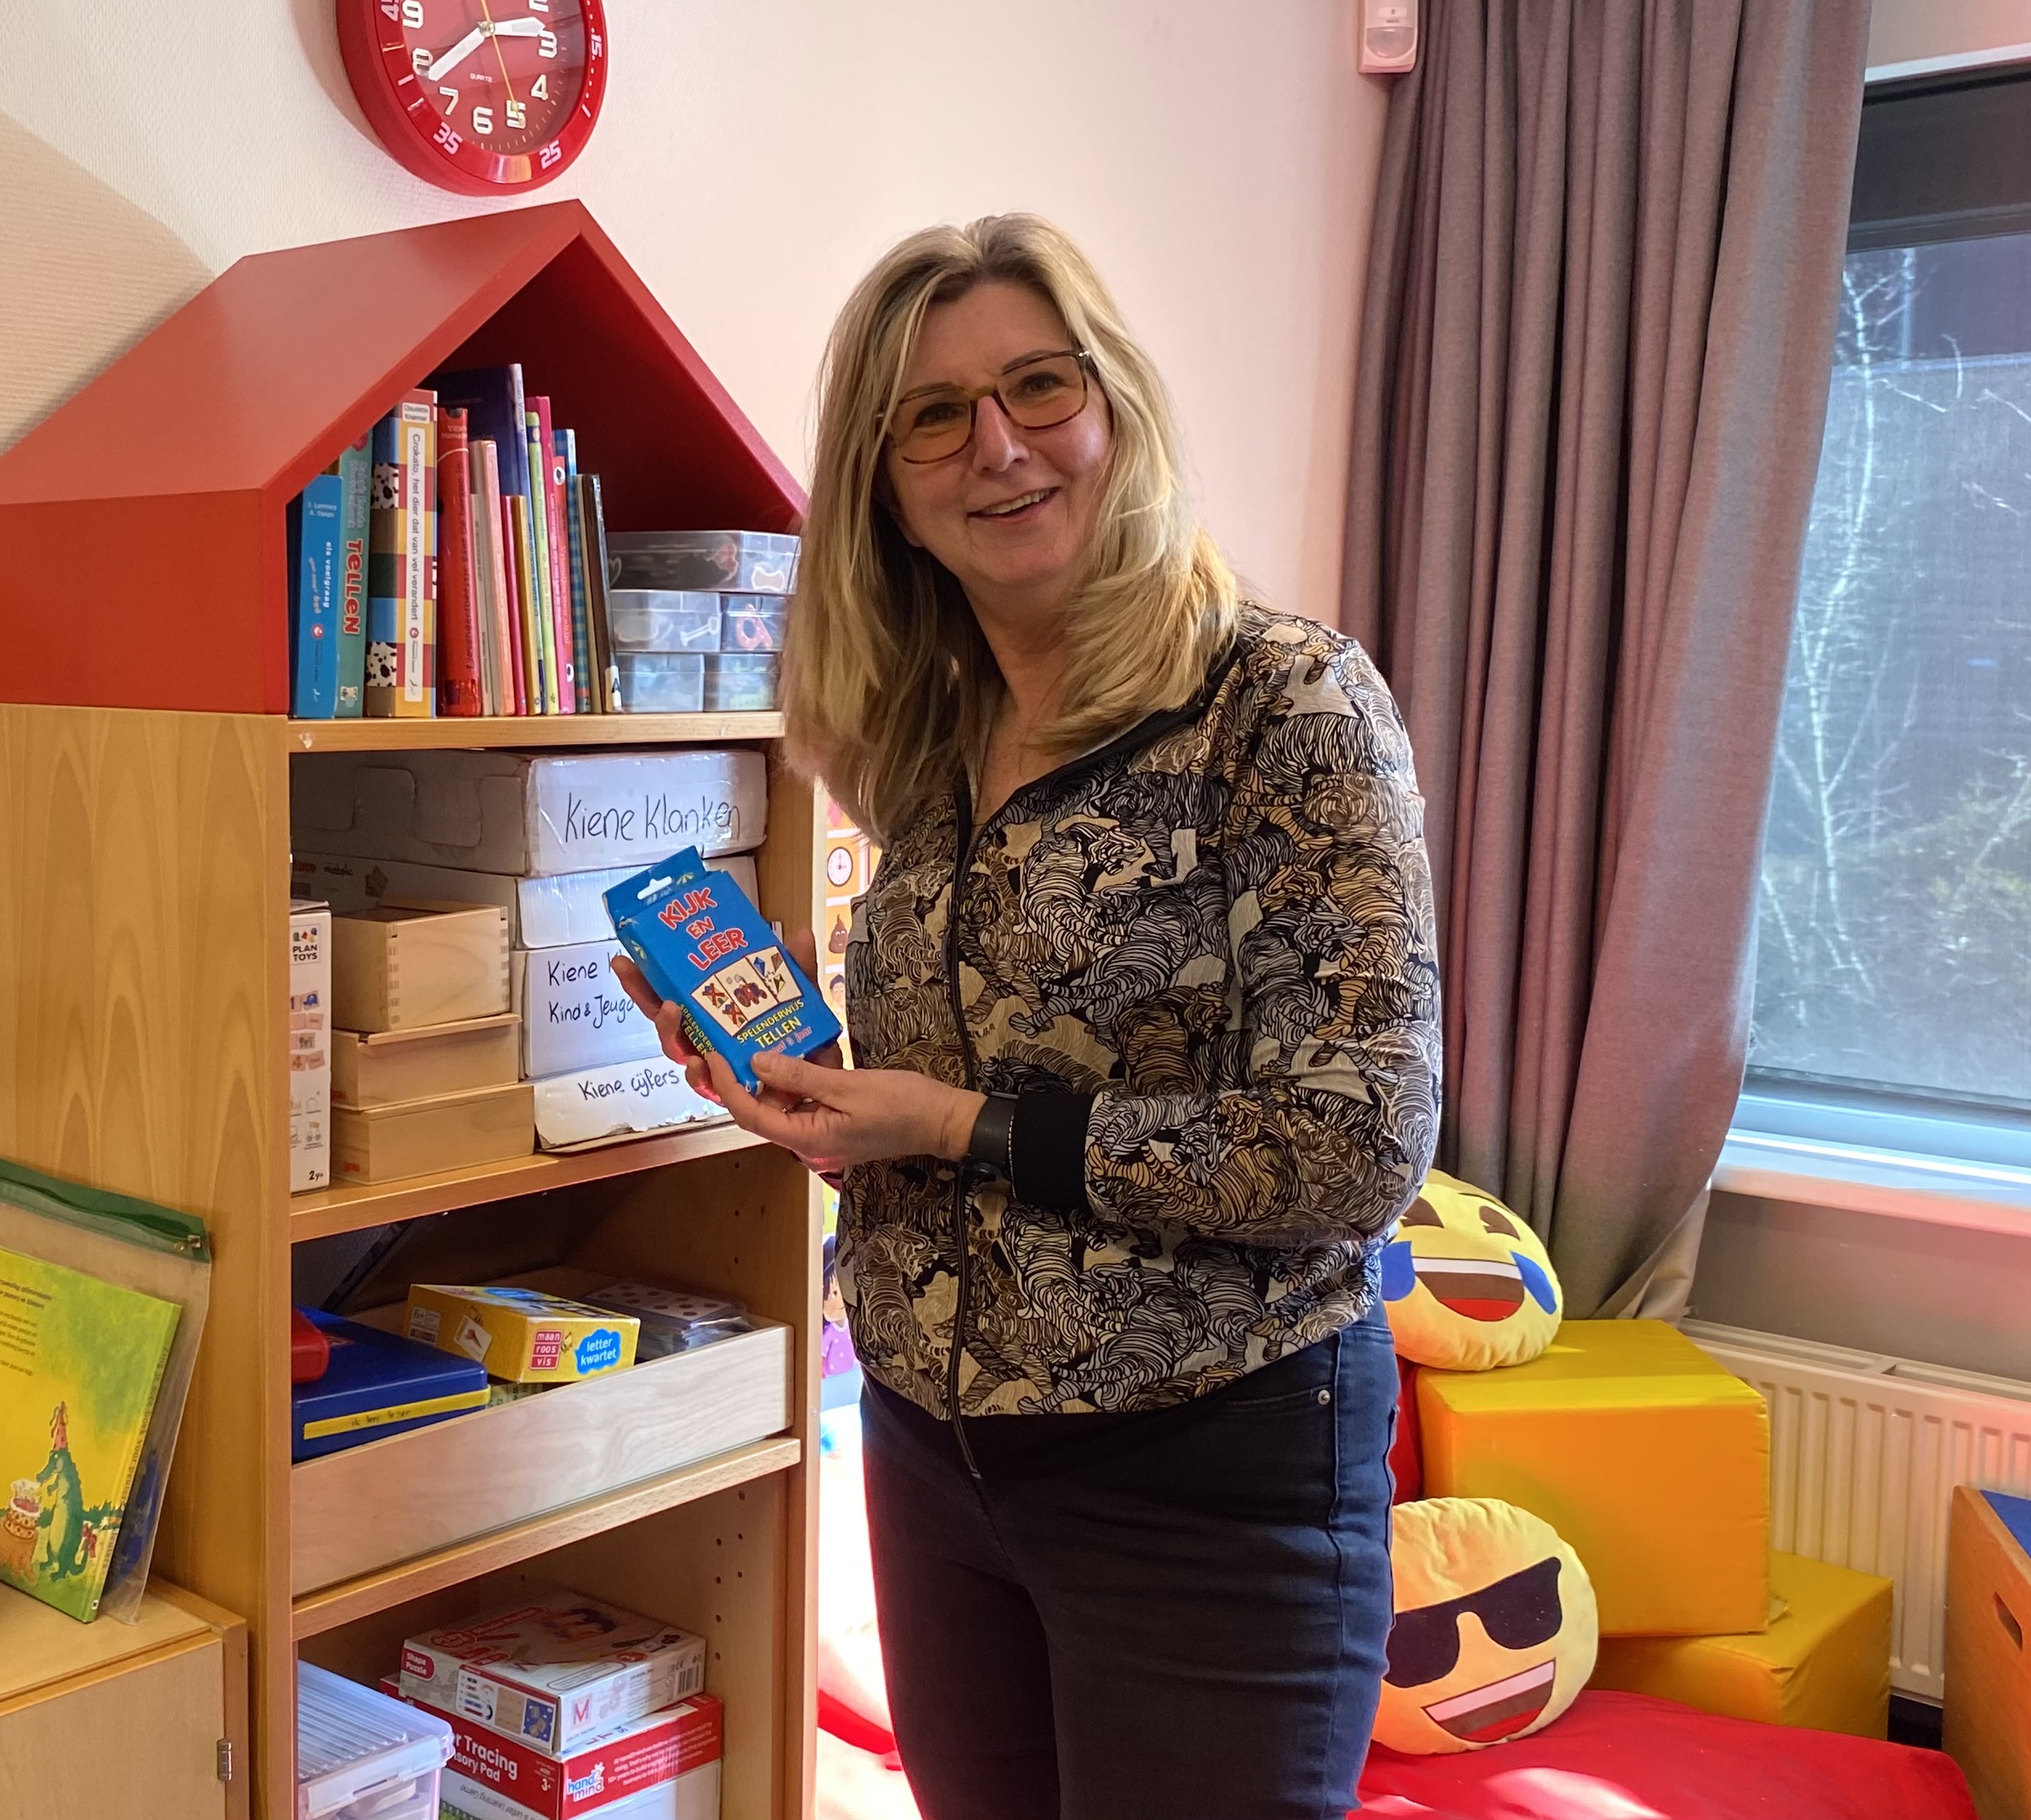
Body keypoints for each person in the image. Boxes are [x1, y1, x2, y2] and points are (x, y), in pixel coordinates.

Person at [612, 216, 1441, 1820]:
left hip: (1206, 1471)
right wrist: (821, 1108)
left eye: (1037, 389)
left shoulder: (1283, 701)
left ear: (1112, 411)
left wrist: (948, 1121)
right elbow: (952, 1122)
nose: (998, 449)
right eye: (934, 415)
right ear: (887, 486)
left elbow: (1358, 1147)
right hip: (935, 1457)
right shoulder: (922, 743)